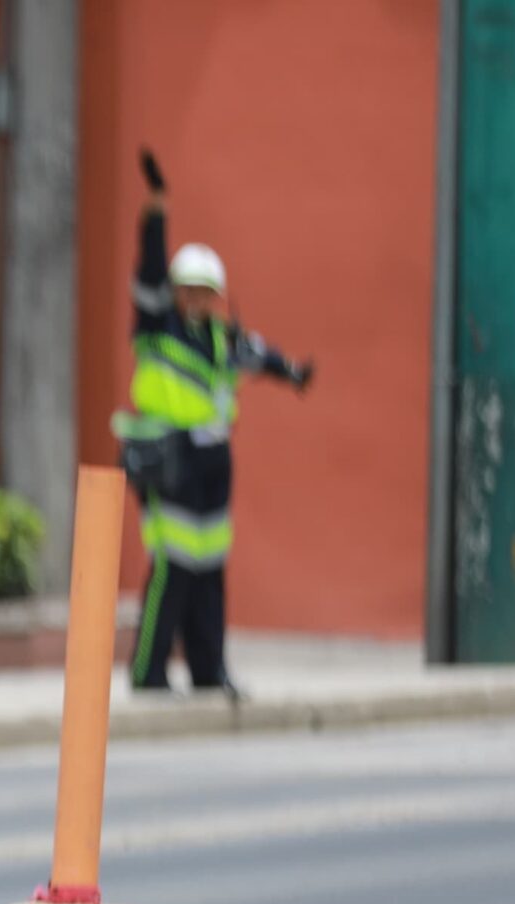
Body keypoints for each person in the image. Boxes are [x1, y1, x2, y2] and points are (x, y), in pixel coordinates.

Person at [119, 147, 314, 697]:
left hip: (212, 465)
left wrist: (292, 372)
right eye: (189, 290)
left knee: (208, 574)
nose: (197, 299)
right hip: (170, 458)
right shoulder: (157, 328)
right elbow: (150, 274)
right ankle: (149, 671)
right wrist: (157, 210)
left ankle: (210, 670)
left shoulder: (224, 340)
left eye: (206, 291)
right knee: (172, 569)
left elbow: (260, 355)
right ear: (176, 293)